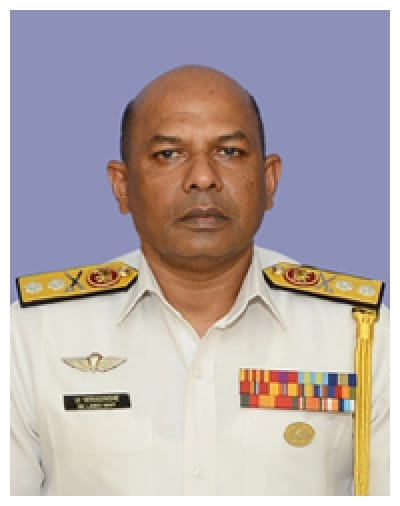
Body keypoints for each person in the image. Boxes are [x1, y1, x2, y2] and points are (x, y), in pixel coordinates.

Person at [11, 65, 389, 496]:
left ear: (269, 180)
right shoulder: (33, 335)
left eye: (229, 151)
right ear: (122, 185)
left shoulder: (361, 335)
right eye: (169, 154)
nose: (203, 177)